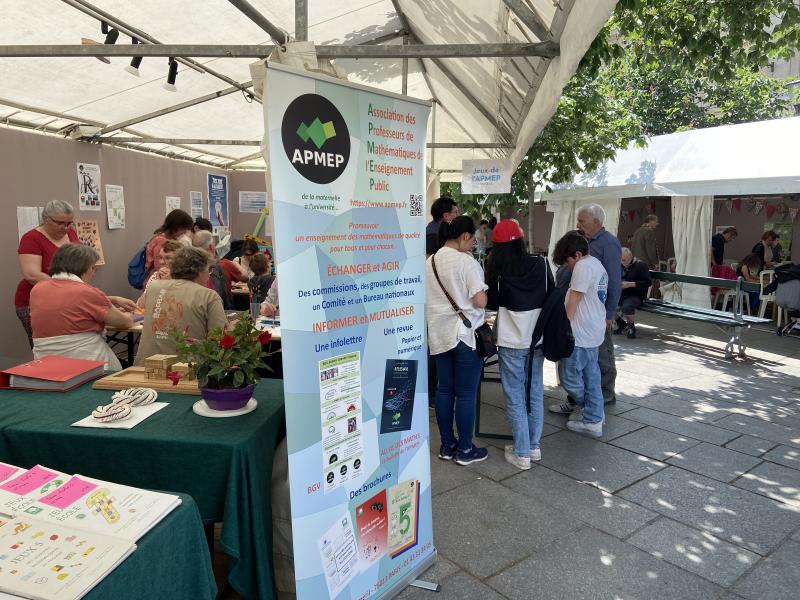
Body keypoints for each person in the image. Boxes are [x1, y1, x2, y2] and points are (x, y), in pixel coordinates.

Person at [486, 220, 548, 469]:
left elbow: (490, 303)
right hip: (537, 339)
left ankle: (521, 453)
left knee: (515, 396)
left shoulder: (498, 273)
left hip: (512, 340)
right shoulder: (541, 264)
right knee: (534, 392)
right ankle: (533, 447)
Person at [426, 216, 489, 466]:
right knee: (465, 394)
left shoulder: (429, 262)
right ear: (464, 236)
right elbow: (480, 301)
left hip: (439, 335)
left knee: (444, 390)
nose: (473, 244)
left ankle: (446, 445)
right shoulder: (467, 262)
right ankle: (464, 450)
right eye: (473, 240)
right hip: (464, 335)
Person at [30, 244, 134, 370]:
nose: (93, 273)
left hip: (46, 362)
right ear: (83, 268)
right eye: (93, 268)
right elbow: (124, 323)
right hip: (83, 362)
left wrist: (112, 300)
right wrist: (129, 315)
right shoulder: (87, 292)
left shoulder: (38, 289)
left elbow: (67, 301)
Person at [552, 231, 607, 437]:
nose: (568, 266)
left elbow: (573, 303)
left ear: (576, 254)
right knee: (591, 375)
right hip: (593, 330)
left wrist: (561, 329)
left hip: (580, 333)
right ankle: (595, 415)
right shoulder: (596, 264)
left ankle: (593, 412)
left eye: (568, 262)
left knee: (568, 375)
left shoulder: (582, 267)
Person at [134, 247, 228, 365]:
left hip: (144, 368)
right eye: (208, 271)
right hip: (184, 371)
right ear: (199, 272)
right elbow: (221, 338)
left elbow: (138, 307)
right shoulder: (208, 296)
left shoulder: (154, 286)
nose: (209, 276)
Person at [15, 200, 81, 347]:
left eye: (69, 223)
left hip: (69, 298)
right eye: (60, 223)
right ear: (45, 219)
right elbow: (32, 275)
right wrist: (69, 287)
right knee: (47, 347)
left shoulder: (70, 232)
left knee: (71, 346)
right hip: (35, 302)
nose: (65, 228)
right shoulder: (31, 238)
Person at [192, 230, 246, 309]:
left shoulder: (188, 269)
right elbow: (245, 277)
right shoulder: (224, 264)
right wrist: (236, 264)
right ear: (211, 247)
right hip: (221, 312)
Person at [615, 248, 652, 339]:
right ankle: (620, 323)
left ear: (630, 256)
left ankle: (631, 327)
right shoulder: (621, 264)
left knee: (627, 306)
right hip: (622, 293)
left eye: (624, 260)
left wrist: (630, 284)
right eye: (620, 259)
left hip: (636, 295)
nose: (622, 262)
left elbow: (648, 282)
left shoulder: (640, 265)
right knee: (606, 302)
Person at [137, 240, 183, 307]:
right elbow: (140, 305)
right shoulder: (156, 275)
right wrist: (156, 285)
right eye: (160, 257)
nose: (161, 262)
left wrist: (169, 283)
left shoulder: (185, 278)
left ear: (180, 260)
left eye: (168, 258)